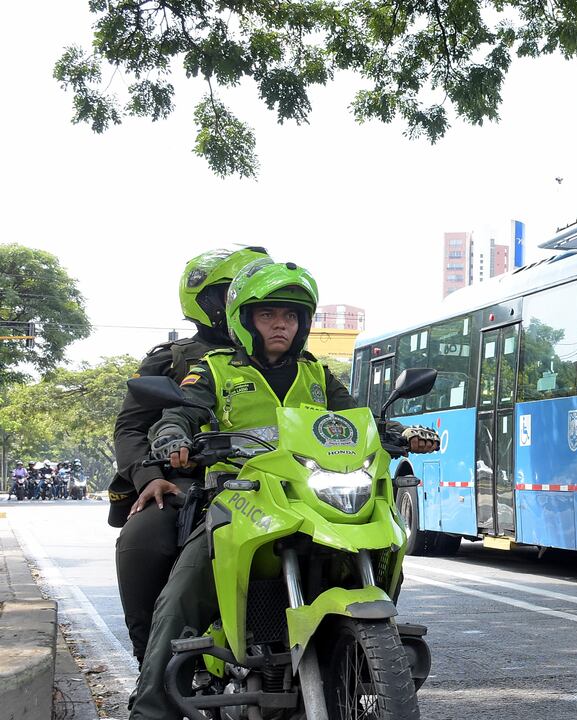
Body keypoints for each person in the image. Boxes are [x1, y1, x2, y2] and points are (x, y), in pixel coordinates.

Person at [129, 261, 438, 720]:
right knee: (184, 592)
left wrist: (400, 433)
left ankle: (359, 659)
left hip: (311, 495)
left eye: (290, 317)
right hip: (241, 493)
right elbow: (180, 414)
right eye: (269, 315)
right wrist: (172, 438)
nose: (281, 325)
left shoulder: (316, 375)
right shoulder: (213, 370)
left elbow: (356, 419)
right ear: (244, 320)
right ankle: (151, 707)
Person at [111, 246, 270, 670]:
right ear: (209, 301)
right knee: (142, 537)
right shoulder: (175, 358)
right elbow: (129, 428)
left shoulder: (294, 361)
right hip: (187, 480)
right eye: (231, 291)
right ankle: (153, 665)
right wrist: (147, 476)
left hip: (279, 479)